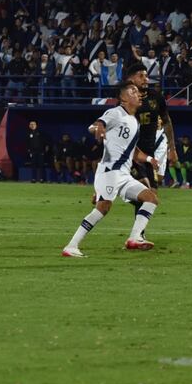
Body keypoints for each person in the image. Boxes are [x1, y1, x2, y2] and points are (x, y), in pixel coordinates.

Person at [62, 82, 159, 257]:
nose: (138, 94)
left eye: (138, 92)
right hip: (110, 172)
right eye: (133, 91)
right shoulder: (116, 112)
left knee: (150, 198)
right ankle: (71, 246)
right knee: (103, 208)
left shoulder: (135, 122)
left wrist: (150, 159)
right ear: (123, 97)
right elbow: (100, 123)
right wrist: (98, 127)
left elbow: (134, 151)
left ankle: (135, 238)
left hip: (124, 174)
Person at [124, 64, 177, 212]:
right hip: (132, 156)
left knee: (151, 198)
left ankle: (139, 234)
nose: (146, 79)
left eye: (146, 76)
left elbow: (166, 121)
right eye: (141, 76)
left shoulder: (156, 97)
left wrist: (172, 148)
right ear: (131, 78)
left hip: (149, 155)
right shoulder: (125, 100)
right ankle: (118, 192)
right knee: (147, 194)